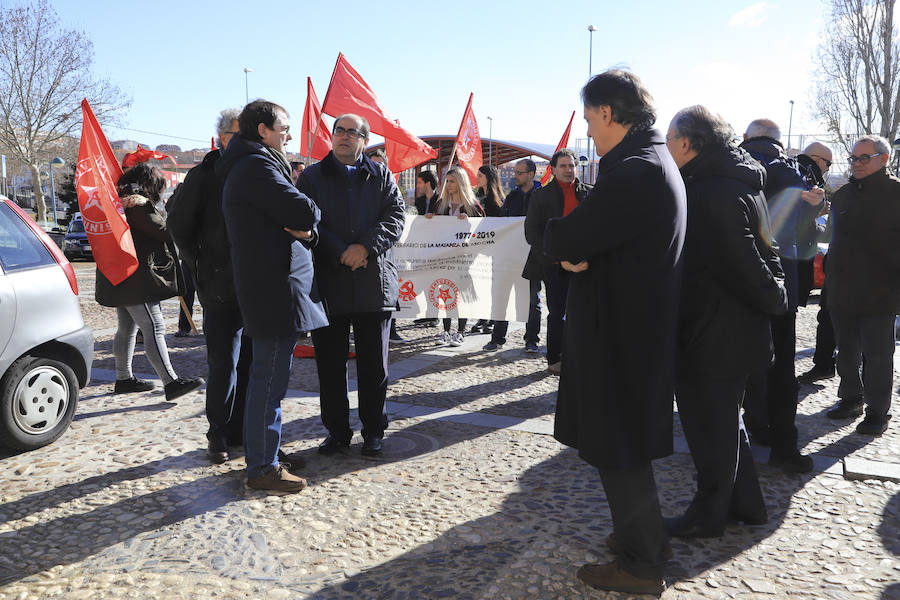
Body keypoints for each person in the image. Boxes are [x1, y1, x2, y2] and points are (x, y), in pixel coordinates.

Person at [544, 69, 685, 596]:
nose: (587, 130)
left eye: (588, 119)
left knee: (619, 448)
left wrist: (569, 248)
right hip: (628, 326)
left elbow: (570, 234)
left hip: (620, 334)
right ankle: (639, 540)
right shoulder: (648, 159)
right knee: (621, 445)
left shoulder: (635, 169)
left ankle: (642, 565)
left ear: (608, 113)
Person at [664, 105, 788, 537]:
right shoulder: (735, 180)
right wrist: (774, 290)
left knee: (709, 430)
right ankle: (747, 504)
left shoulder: (711, 190)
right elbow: (764, 252)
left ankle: (708, 516)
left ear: (685, 143)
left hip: (712, 334)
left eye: (668, 140)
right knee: (726, 424)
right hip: (730, 330)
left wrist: (775, 294)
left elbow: (743, 261)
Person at [218, 99, 328, 493]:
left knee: (268, 380)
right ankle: (262, 466)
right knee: (268, 382)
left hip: (273, 286)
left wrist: (306, 230)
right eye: (283, 126)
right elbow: (304, 212)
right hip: (273, 289)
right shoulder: (256, 165)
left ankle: (266, 454)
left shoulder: (254, 162)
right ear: (262, 129)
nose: (289, 134)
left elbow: (302, 227)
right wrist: (309, 217)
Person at [297, 113, 405, 457]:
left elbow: (395, 217)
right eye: (339, 131)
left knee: (375, 367)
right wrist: (340, 250)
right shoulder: (312, 177)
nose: (344, 137)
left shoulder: (381, 175)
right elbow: (306, 220)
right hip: (329, 283)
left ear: (364, 139)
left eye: (352, 132)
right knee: (330, 365)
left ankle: (374, 431)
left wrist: (364, 248)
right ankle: (337, 432)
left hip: (374, 284)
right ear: (332, 136)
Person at [168, 108, 255, 464]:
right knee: (224, 364)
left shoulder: (260, 168)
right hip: (220, 287)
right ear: (222, 137)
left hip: (258, 285)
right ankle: (217, 433)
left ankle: (244, 430)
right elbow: (178, 227)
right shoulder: (204, 174)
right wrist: (202, 264)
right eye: (238, 134)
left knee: (252, 363)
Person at [739, 118, 821, 473]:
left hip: (738, 282)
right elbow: (803, 231)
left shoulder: (732, 165)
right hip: (777, 281)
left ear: (746, 137)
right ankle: (783, 445)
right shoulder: (789, 172)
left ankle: (752, 426)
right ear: (778, 141)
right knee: (781, 366)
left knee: (743, 363)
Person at [95, 163, 205, 403]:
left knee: (127, 328)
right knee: (154, 326)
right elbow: (163, 231)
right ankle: (171, 382)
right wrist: (163, 210)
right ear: (149, 183)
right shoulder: (137, 203)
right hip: (135, 276)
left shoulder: (118, 198)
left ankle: (124, 378)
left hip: (120, 273)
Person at [823, 135, 900, 436]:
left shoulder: (896, 194)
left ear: (884, 159)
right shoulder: (842, 196)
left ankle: (878, 412)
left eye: (863, 158)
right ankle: (851, 399)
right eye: (853, 158)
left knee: (878, 357)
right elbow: (829, 234)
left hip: (881, 293)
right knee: (845, 351)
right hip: (842, 290)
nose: (856, 163)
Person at [519, 149, 591, 374]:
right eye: (563, 166)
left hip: (586, 265)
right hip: (554, 265)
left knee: (584, 313)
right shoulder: (541, 196)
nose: (569, 170)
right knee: (557, 313)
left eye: (572, 166)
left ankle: (581, 356)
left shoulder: (589, 193)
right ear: (553, 169)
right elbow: (532, 233)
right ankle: (555, 357)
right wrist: (559, 261)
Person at [427, 166, 485, 346]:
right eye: (447, 181)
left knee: (461, 296)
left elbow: (484, 230)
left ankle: (460, 332)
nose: (448, 184)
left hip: (465, 259)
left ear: (461, 182)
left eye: (452, 181)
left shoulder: (473, 206)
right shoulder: (440, 203)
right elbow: (434, 230)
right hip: (444, 257)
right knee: (445, 293)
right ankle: (445, 331)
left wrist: (469, 222)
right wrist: (429, 220)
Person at [489, 159, 542, 353]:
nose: (515, 176)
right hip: (510, 257)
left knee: (532, 302)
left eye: (519, 173)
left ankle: (531, 341)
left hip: (533, 258)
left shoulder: (542, 196)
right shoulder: (512, 197)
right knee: (502, 297)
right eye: (515, 172)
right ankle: (497, 338)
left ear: (531, 174)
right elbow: (503, 224)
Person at [795, 142, 837, 383]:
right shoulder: (805, 177)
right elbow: (799, 225)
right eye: (828, 163)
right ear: (815, 158)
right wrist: (819, 217)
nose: (828, 169)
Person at [367, 149, 406, 345]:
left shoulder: (390, 188)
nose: (377, 168)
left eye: (380, 164)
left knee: (389, 291)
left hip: (386, 251)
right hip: (367, 251)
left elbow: (396, 217)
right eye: (373, 163)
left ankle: (392, 329)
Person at [470, 164, 505, 335]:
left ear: (489, 178)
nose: (477, 179)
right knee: (480, 284)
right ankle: (482, 317)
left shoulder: (497, 200)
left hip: (493, 248)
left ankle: (492, 318)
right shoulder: (475, 196)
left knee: (492, 286)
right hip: (478, 248)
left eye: (480, 176)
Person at [412, 169, 440, 328]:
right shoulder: (419, 201)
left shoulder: (441, 200)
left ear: (428, 183)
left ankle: (434, 315)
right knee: (422, 281)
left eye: (420, 182)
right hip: (421, 247)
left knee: (433, 282)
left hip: (436, 248)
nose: (418, 186)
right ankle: (425, 314)